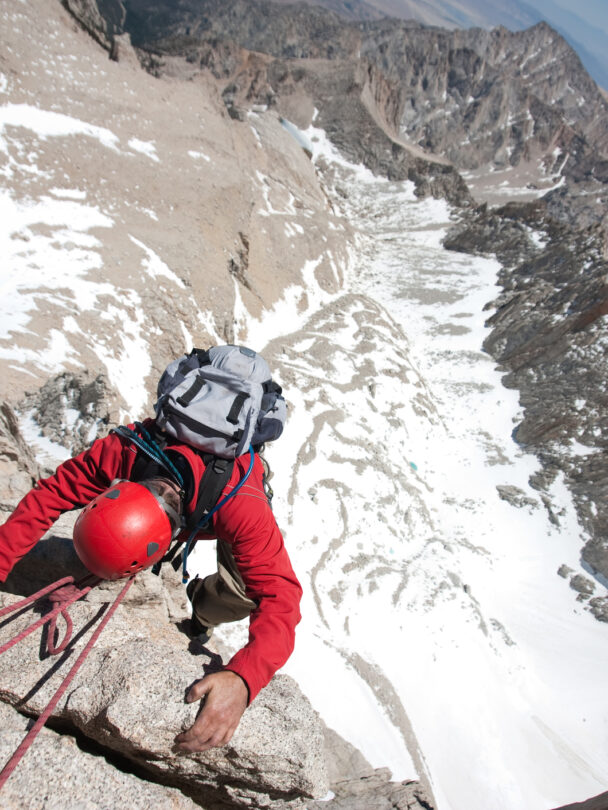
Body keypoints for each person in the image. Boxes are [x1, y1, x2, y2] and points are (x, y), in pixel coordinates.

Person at [0, 413, 303, 753]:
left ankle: (202, 614)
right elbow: (51, 495)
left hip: (228, 495)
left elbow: (281, 595)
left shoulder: (243, 505)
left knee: (241, 594)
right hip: (196, 494)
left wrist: (244, 678)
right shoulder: (126, 449)